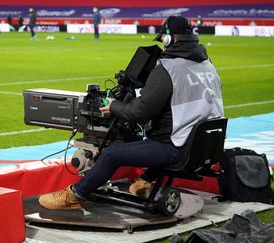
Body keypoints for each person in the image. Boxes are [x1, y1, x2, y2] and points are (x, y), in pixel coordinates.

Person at [38, 15, 224, 210]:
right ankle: (144, 182)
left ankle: (75, 195)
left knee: (111, 154)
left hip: (177, 150)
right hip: (204, 148)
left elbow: (139, 112)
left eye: (162, 39)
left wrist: (113, 106)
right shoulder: (207, 64)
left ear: (169, 39)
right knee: (152, 136)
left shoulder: (169, 67)